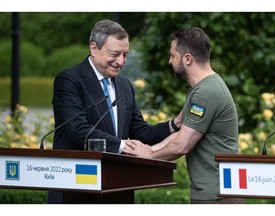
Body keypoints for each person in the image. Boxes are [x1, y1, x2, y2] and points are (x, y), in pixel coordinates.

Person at [48, 19, 182, 204]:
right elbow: (76, 128)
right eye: (115, 54)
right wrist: (122, 146)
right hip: (75, 187)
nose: (121, 61)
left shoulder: (125, 85)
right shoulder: (70, 80)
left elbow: (139, 132)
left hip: (116, 188)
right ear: (94, 48)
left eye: (125, 55)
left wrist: (174, 124)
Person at [124, 27, 245, 204]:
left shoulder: (205, 92)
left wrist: (150, 156)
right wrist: (147, 151)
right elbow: (181, 134)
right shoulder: (201, 89)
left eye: (173, 55)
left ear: (187, 59)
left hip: (217, 197)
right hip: (217, 193)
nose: (169, 61)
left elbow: (182, 145)